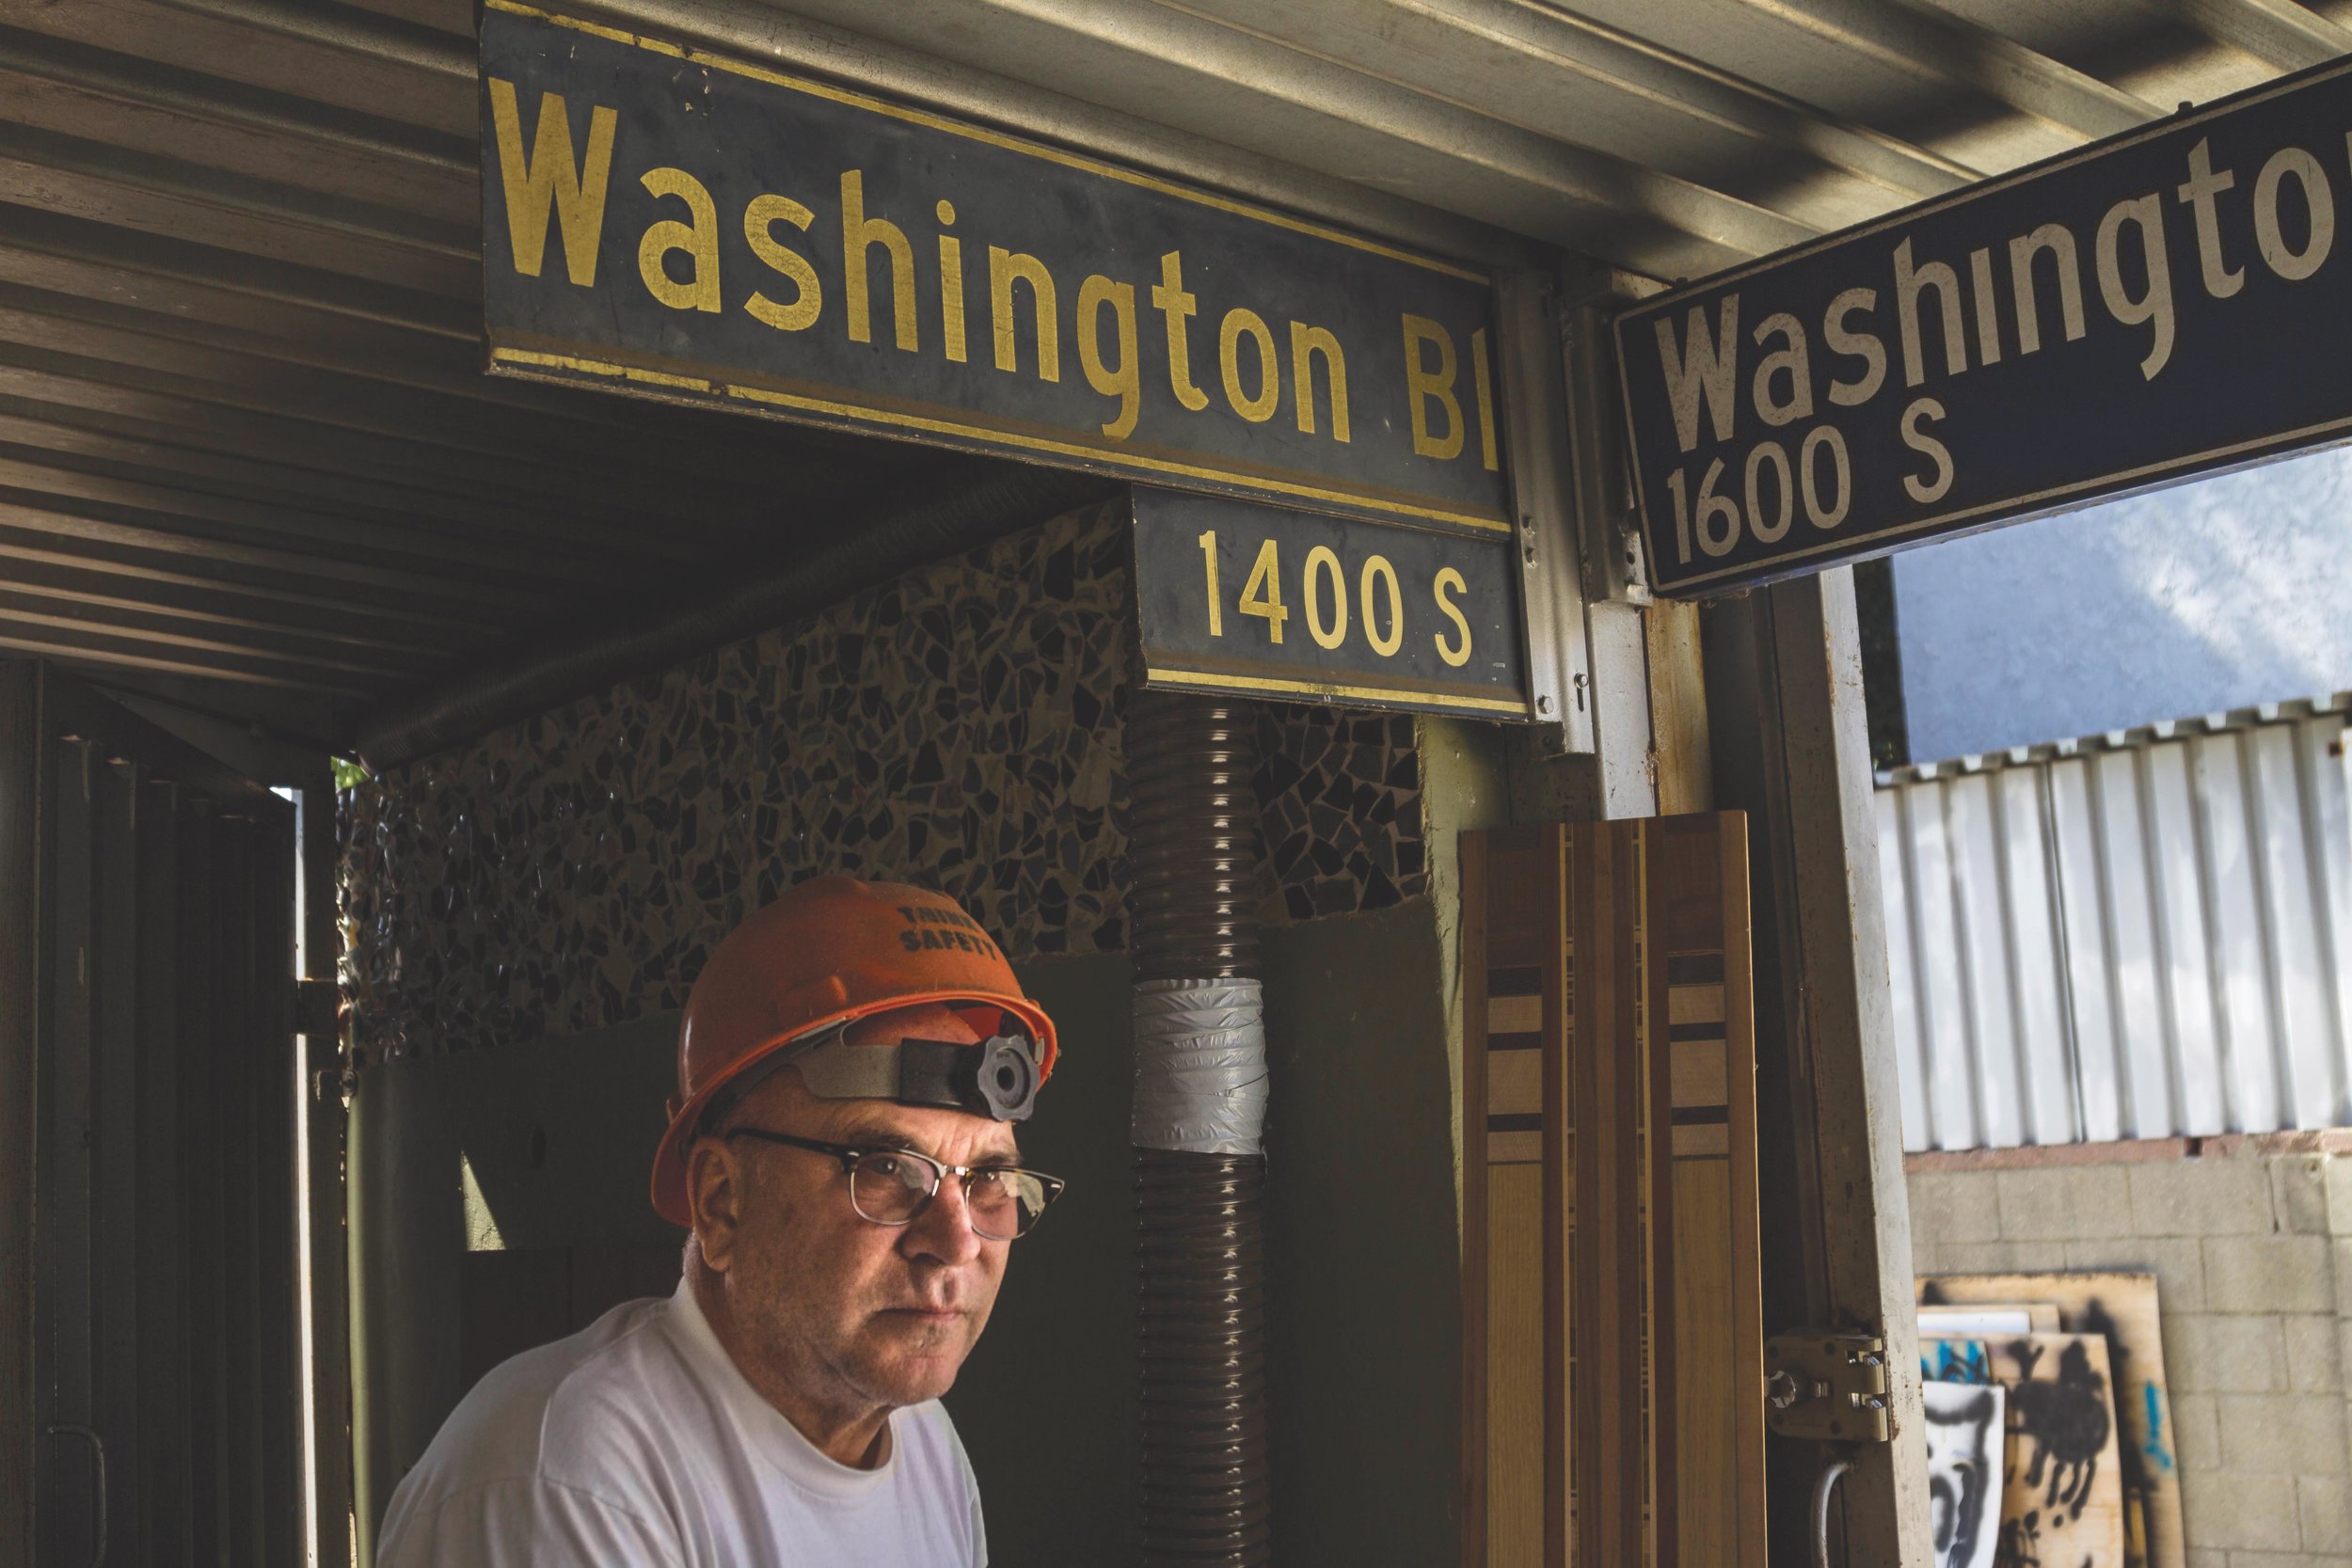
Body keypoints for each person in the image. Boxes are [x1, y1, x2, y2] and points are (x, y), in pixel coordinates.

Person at [376, 874, 1064, 1566]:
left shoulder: (928, 1451)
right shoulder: (568, 1479)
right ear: (722, 1201)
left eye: (988, 1180)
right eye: (885, 1167)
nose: (955, 1242)